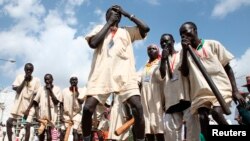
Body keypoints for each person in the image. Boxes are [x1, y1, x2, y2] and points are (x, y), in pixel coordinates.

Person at [83, 4, 150, 141]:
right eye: (112, 13)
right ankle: (86, 138)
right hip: (102, 75)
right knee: (87, 109)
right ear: (106, 16)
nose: (115, 15)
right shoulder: (99, 29)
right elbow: (93, 43)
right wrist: (109, 23)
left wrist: (126, 13)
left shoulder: (126, 31)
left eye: (118, 14)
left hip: (125, 75)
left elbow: (145, 28)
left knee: (137, 107)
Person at [179, 21, 245, 140]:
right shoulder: (184, 53)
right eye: (181, 34)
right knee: (203, 118)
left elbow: (227, 67)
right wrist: (185, 52)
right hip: (201, 92)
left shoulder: (212, 44)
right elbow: (184, 72)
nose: (184, 36)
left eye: (186, 32)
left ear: (195, 30)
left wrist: (235, 90)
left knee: (216, 113)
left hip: (220, 87)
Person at [159, 33, 200, 141]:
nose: (164, 43)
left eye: (167, 41)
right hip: (171, 101)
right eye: (162, 42)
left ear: (173, 41)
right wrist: (163, 59)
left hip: (186, 97)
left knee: (193, 132)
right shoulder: (161, 61)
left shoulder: (182, 53)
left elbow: (186, 71)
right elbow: (162, 75)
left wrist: (185, 51)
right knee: (172, 134)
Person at [6, 63, 41, 141]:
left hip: (30, 106)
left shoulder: (36, 80)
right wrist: (24, 80)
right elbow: (18, 91)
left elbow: (35, 97)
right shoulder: (19, 77)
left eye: (30, 70)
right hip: (19, 103)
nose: (28, 71)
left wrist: (28, 110)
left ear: (33, 70)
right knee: (9, 122)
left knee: (28, 125)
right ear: (24, 70)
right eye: (27, 69)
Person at [139, 44, 165, 141]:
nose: (151, 50)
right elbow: (140, 79)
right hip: (145, 97)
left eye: (154, 49)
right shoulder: (145, 65)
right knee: (148, 126)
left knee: (158, 124)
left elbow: (160, 77)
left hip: (156, 95)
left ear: (158, 51)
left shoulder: (160, 63)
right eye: (149, 49)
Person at [32, 73, 62, 141]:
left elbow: (56, 102)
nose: (47, 81)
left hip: (52, 117)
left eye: (48, 79)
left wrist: (50, 91)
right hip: (42, 116)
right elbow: (35, 102)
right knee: (41, 134)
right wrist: (37, 116)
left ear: (52, 79)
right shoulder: (41, 89)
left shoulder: (57, 89)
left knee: (49, 136)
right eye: (45, 80)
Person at [61, 76, 86, 141]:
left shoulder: (81, 90)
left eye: (75, 80)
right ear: (70, 81)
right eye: (72, 80)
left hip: (76, 114)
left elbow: (81, 102)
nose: (74, 81)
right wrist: (61, 115)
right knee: (62, 132)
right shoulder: (64, 91)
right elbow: (61, 103)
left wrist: (77, 94)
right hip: (66, 114)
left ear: (77, 81)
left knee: (75, 131)